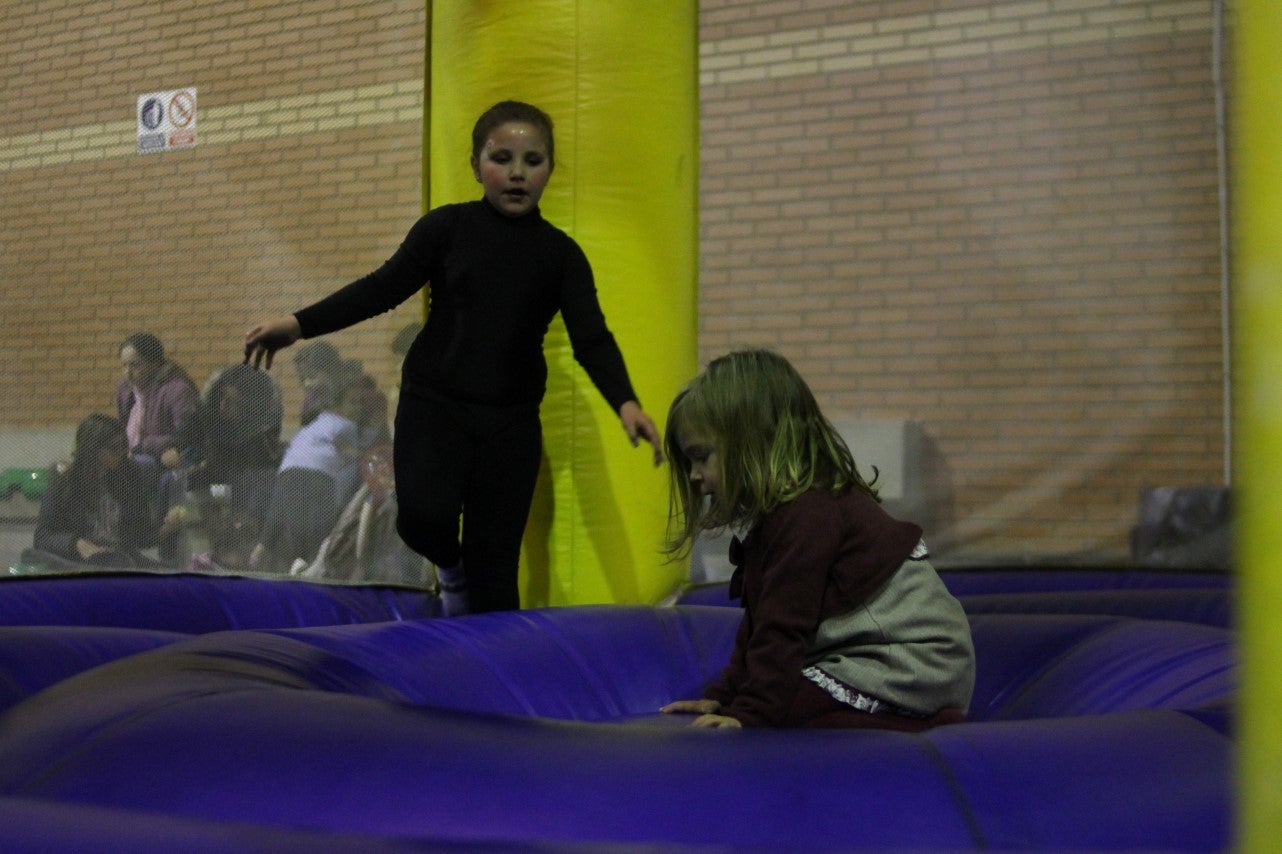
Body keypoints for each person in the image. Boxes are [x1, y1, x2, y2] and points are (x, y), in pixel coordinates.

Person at [242, 100, 663, 614]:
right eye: (501, 158)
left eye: (532, 161)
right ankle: (451, 571)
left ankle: (491, 656)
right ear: (476, 166)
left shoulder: (561, 255)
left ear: (550, 170)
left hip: (509, 421)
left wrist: (625, 402)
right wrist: (297, 324)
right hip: (435, 405)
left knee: (496, 569)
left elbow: (591, 338)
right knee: (422, 522)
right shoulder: (446, 229)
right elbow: (380, 289)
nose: (517, 173)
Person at [659, 350, 975, 730]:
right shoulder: (779, 516)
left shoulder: (810, 512)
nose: (694, 475)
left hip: (913, 664)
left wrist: (749, 715)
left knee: (787, 705)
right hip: (863, 658)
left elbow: (783, 628)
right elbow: (761, 621)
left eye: (701, 457)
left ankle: (918, 721)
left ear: (751, 443)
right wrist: (724, 697)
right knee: (785, 696)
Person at [252, 374, 374, 573]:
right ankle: (307, 564)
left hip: (288, 470)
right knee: (317, 531)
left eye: (361, 403)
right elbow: (347, 449)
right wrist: (365, 454)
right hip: (318, 474)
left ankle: (262, 549)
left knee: (281, 513)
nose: (358, 408)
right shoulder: (344, 424)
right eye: (353, 403)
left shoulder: (319, 422)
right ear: (338, 405)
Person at [31, 414, 176, 569]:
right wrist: (76, 543)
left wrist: (166, 527)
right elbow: (42, 538)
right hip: (78, 562)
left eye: (124, 446)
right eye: (114, 448)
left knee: (169, 572)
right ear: (93, 449)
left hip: (120, 559)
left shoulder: (130, 476)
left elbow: (141, 536)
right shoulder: (65, 480)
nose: (121, 453)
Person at [116, 332, 199, 465]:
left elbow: (188, 435)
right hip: (130, 454)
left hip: (161, 458)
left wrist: (145, 445)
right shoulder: (125, 390)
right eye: (124, 365)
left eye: (135, 365)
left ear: (155, 364)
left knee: (138, 464)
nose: (128, 372)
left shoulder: (177, 390)